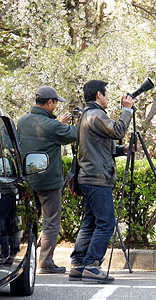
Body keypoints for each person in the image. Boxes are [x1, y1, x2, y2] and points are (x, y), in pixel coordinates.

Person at [69, 80, 133, 284]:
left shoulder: (87, 116)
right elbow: (118, 131)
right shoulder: (96, 115)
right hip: (97, 178)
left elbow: (99, 147)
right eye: (106, 94)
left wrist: (122, 150)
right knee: (106, 223)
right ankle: (92, 265)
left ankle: (78, 264)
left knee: (90, 222)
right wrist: (127, 110)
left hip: (89, 176)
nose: (108, 97)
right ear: (98, 95)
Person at [17, 86, 77, 274]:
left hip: (28, 180)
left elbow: (43, 135)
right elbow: (74, 134)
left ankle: (26, 259)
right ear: (49, 102)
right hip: (48, 182)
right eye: (55, 102)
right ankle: (45, 263)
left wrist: (59, 123)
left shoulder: (22, 121)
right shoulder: (53, 126)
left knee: (30, 222)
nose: (56, 105)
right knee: (51, 221)